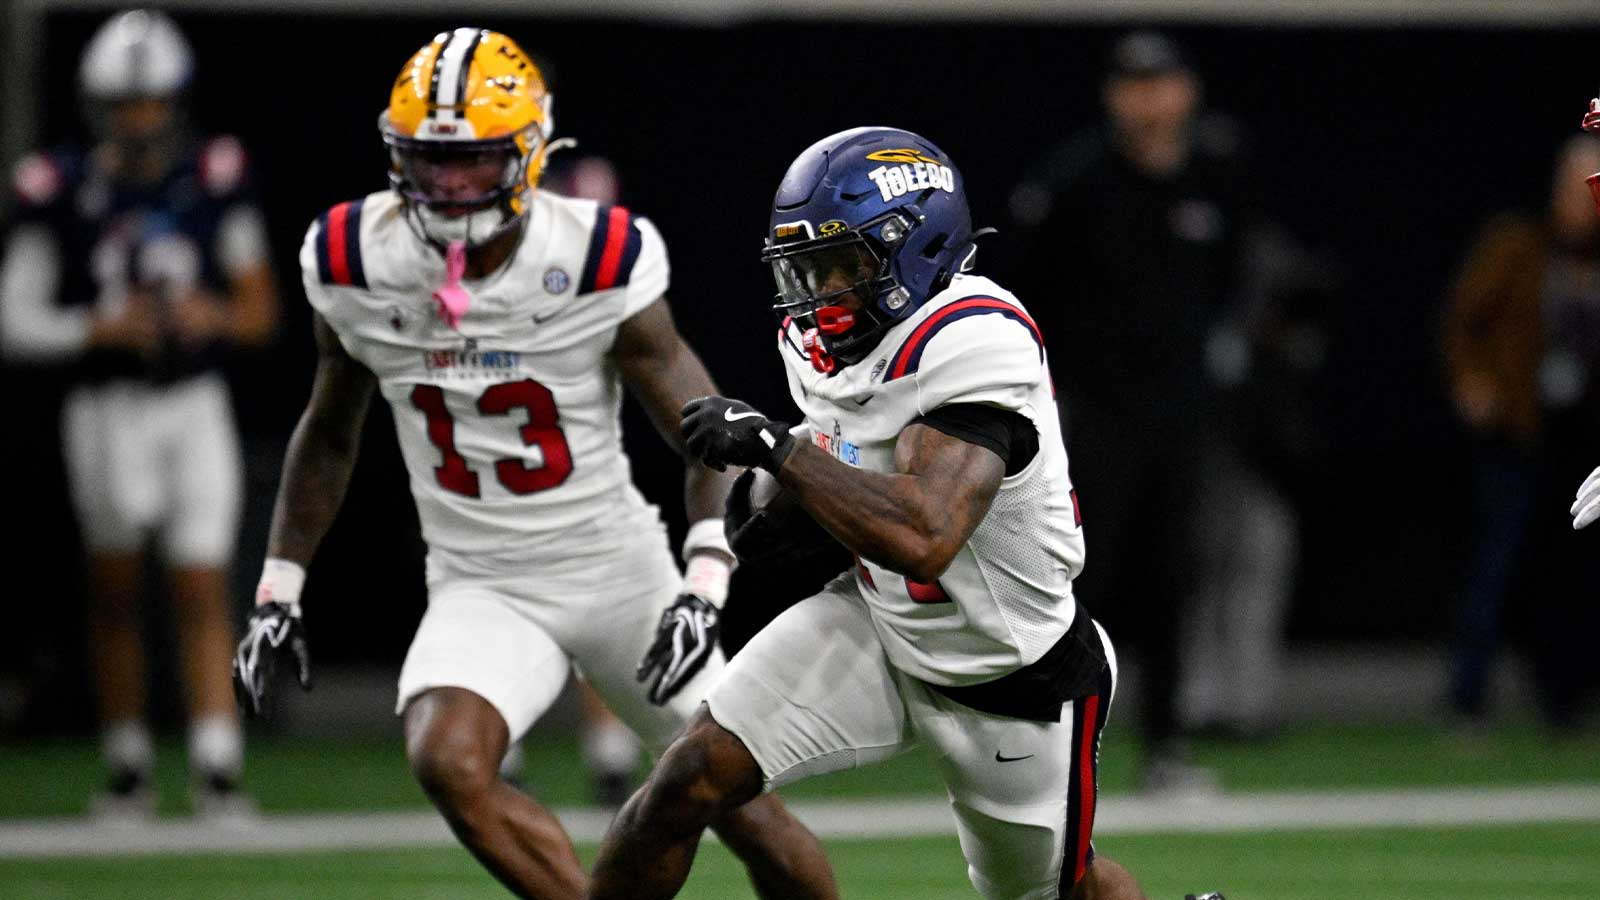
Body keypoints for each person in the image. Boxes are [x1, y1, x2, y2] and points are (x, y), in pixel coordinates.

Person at [227, 29, 836, 899]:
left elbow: (709, 433)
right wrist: (278, 589)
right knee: (446, 759)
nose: (447, 186)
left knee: (741, 806)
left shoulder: (593, 254)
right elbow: (328, 433)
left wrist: (703, 583)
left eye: (474, 163)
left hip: (617, 572)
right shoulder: (351, 258)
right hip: (479, 578)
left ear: (531, 153)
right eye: (429, 162)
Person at [588, 126, 1186, 900]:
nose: (817, 291)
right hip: (876, 620)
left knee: (1056, 893)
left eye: (840, 264)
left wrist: (779, 450)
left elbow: (925, 535)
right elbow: (840, 466)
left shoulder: (974, 340)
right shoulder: (817, 341)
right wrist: (772, 504)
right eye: (803, 267)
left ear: (918, 247)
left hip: (1002, 669)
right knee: (688, 779)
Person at [0, 8, 277, 820]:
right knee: (114, 587)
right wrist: (97, 327)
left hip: (192, 402)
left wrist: (211, 316)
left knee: (202, 582)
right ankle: (127, 765)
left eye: (150, 101)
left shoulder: (214, 177)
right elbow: (13, 317)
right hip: (106, 405)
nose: (138, 119)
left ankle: (217, 766)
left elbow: (259, 310)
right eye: (125, 103)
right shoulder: (59, 185)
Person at [1008, 31, 1255, 789]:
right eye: (1133, 83)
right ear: (1114, 95)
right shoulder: (1073, 183)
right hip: (1093, 417)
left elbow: (1227, 284)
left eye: (1163, 82)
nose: (1149, 99)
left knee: (1173, 578)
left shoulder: (1213, 180)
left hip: (1180, 417)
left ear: (1187, 91)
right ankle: (1051, 744)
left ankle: (1166, 747)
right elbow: (1027, 296)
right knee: (1083, 576)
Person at [1443, 130, 1600, 728]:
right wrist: (1473, 383)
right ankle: (1466, 701)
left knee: (1577, 571)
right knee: (1497, 563)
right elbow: (1463, 321)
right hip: (1520, 427)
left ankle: (1567, 701)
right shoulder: (1519, 245)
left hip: (1584, 436)